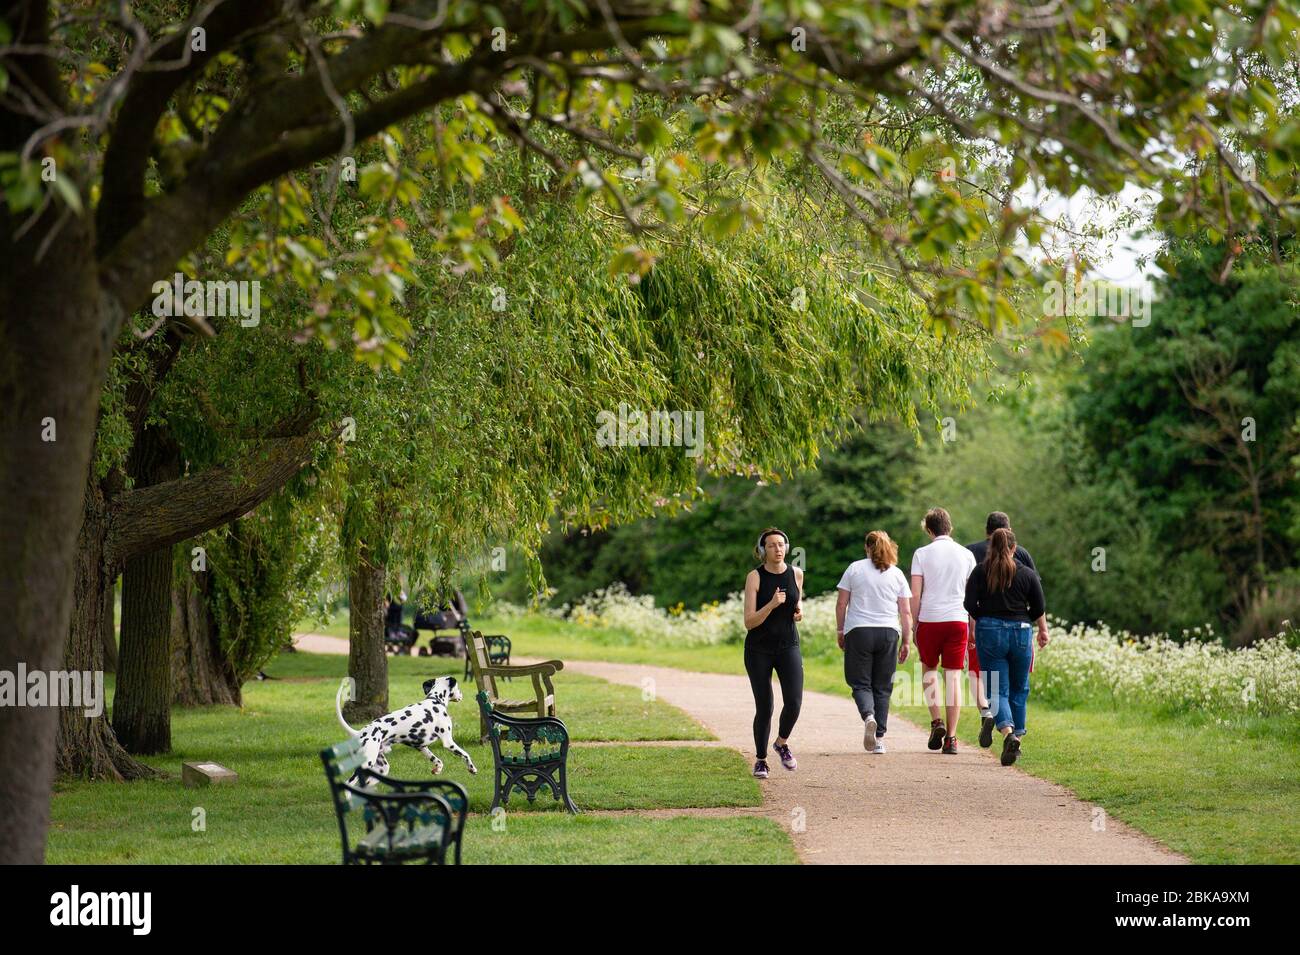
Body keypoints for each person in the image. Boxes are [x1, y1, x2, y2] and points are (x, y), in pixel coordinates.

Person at [964, 527, 1050, 766]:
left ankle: (1008, 733)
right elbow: (1039, 606)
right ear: (1014, 548)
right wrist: (1037, 626)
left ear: (991, 547)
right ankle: (1017, 739)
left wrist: (986, 617)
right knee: (1019, 688)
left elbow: (969, 603)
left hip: (990, 632)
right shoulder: (1027, 574)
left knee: (994, 689)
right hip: (1021, 632)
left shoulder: (981, 571)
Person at [836, 530, 912, 754]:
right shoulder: (897, 574)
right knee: (883, 687)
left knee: (860, 683)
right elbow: (905, 612)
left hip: (859, 631)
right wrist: (906, 641)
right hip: (888, 632)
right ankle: (878, 739)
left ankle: (869, 716)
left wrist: (841, 630)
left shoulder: (854, 568)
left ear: (866, 547)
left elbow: (842, 604)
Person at [909, 507, 976, 754]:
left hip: (930, 619)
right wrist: (972, 626)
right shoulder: (967, 555)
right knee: (954, 678)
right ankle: (952, 738)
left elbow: (915, 593)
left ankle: (936, 720)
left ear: (929, 529)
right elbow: (972, 596)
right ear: (950, 527)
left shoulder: (921, 554)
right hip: (958, 620)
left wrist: (915, 624)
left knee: (929, 669)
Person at [742, 527, 805, 779]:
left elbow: (796, 602)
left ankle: (781, 743)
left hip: (788, 645)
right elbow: (749, 621)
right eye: (771, 545)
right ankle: (761, 760)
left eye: (781, 545)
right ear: (762, 550)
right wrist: (770, 604)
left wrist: (798, 611)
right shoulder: (755, 578)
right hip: (758, 649)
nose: (777, 549)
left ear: (786, 548)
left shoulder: (796, 574)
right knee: (765, 706)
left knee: (794, 702)